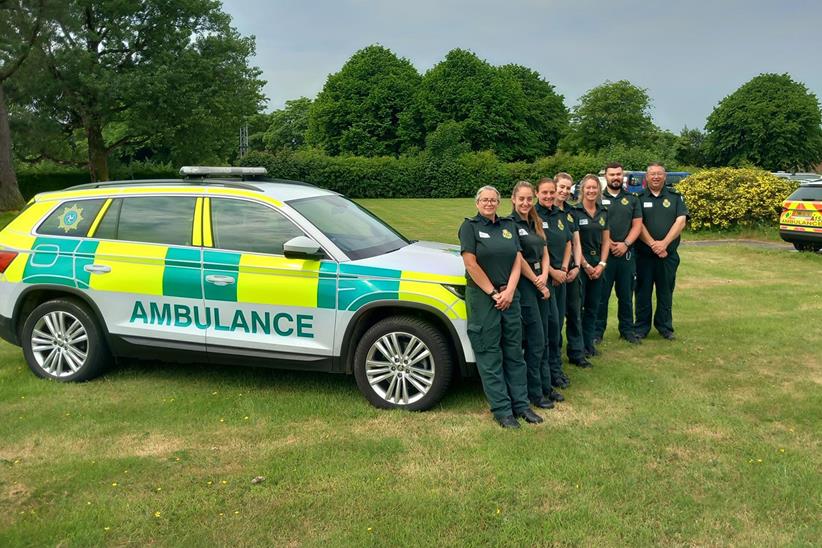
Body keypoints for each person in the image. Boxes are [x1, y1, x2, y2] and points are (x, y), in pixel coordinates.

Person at [459, 185, 544, 428]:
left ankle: (521, 405)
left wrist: (509, 290)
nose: (489, 203)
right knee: (490, 353)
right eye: (484, 200)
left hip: (510, 295)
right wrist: (494, 293)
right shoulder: (470, 227)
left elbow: (518, 260)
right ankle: (502, 410)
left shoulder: (508, 226)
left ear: (498, 202)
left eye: (493, 200)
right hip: (485, 298)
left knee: (515, 352)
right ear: (477, 203)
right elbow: (471, 264)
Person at [509, 181, 564, 409]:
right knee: (535, 339)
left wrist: (545, 278)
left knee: (548, 334)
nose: (525, 203)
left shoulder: (536, 222)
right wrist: (537, 281)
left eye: (528, 199)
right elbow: (518, 258)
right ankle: (535, 393)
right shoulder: (509, 224)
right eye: (521, 199)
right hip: (527, 285)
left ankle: (546, 386)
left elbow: (545, 251)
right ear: (513, 199)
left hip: (543, 281)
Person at [635, 163, 689, 340]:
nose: (656, 177)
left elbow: (681, 221)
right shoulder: (639, 197)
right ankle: (641, 328)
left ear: (665, 177)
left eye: (659, 174)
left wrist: (664, 244)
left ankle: (665, 327)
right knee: (642, 292)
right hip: (643, 256)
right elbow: (637, 224)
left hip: (668, 256)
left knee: (665, 292)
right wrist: (653, 245)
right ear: (647, 177)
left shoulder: (675, 197)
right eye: (652, 174)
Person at [595, 162, 643, 344]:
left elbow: (637, 225)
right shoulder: (597, 198)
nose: (615, 177)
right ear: (605, 176)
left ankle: (627, 331)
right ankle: (597, 332)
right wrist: (608, 244)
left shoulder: (632, 199)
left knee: (625, 296)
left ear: (622, 176)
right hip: (604, 256)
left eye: (618, 174)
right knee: (601, 296)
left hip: (626, 255)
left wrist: (625, 244)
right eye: (612, 174)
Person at [535, 178, 572, 389]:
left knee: (557, 326)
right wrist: (553, 272)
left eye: (551, 192)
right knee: (547, 328)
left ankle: (556, 371)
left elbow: (568, 242)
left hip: (561, 279)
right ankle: (547, 372)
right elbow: (535, 252)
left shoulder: (560, 215)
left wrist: (564, 269)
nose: (549, 196)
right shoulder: (533, 215)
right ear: (537, 193)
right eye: (545, 193)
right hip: (543, 280)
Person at [553, 173, 592, 368]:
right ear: (554, 186)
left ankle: (577, 354)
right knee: (556, 317)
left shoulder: (571, 213)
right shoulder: (541, 211)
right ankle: (555, 356)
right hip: (554, 273)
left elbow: (576, 242)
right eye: (561, 187)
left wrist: (577, 266)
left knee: (574, 313)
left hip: (572, 271)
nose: (564, 191)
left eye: (568, 188)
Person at [573, 175, 610, 357]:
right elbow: (574, 244)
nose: (591, 191)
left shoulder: (603, 211)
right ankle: (578, 346)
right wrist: (586, 266)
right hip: (581, 266)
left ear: (599, 190)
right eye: (587, 188)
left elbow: (606, 241)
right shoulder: (575, 212)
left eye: (594, 188)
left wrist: (602, 264)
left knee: (593, 307)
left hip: (598, 267)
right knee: (579, 308)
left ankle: (589, 344)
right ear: (582, 190)